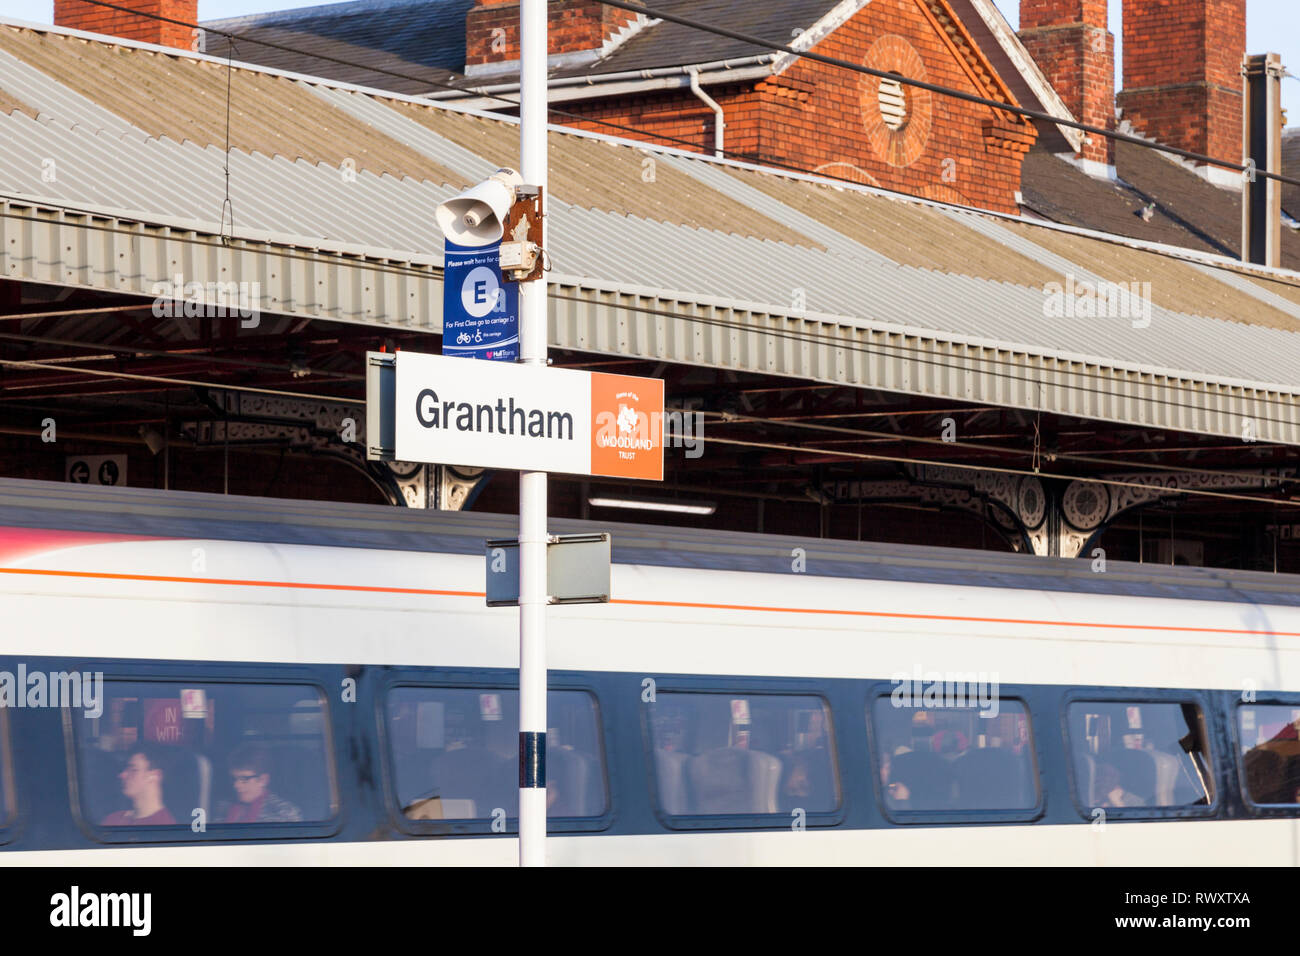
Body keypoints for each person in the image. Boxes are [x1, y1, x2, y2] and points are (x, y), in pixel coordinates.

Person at [221, 743, 303, 823]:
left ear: (263, 780)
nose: (236, 785)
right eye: (234, 779)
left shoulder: (284, 813)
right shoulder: (223, 808)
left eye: (244, 779)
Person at [101, 744, 176, 826]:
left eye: (134, 770)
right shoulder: (113, 819)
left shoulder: (164, 826)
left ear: (155, 776)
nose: (122, 775)